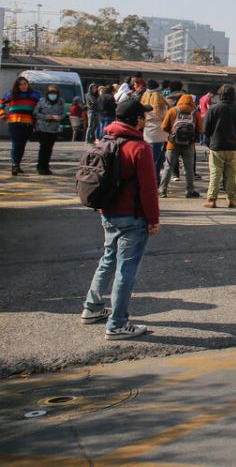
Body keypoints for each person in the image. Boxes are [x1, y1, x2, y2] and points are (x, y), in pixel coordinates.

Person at [80, 98, 161, 340]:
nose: (145, 119)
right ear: (137, 119)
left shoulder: (104, 140)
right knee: (126, 269)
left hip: (107, 212)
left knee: (107, 260)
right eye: (143, 116)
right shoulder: (139, 148)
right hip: (133, 217)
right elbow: (149, 189)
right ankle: (117, 324)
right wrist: (153, 219)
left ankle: (92, 308)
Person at [202, 85, 236, 208]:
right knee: (232, 174)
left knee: (215, 173)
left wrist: (210, 141)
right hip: (233, 146)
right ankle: (231, 199)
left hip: (216, 145)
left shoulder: (213, 109)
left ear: (220, 94)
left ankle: (212, 199)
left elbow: (205, 129)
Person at [159, 93, 203, 198]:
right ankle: (189, 191)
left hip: (172, 144)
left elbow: (163, 126)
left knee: (168, 167)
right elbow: (200, 129)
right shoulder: (195, 112)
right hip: (189, 144)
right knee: (189, 168)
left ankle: (162, 190)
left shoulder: (173, 110)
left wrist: (172, 133)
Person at [2, 76, 39, 175]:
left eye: (25, 84)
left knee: (22, 145)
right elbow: (1, 103)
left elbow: (41, 106)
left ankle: (17, 164)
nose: (23, 86)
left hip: (28, 123)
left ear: (28, 84)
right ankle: (14, 165)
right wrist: (2, 114)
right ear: (17, 86)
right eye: (20, 84)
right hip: (14, 122)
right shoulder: (11, 95)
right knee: (16, 144)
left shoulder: (34, 95)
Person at [32, 84, 67, 175]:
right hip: (42, 128)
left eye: (54, 93)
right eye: (51, 92)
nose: (52, 94)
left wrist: (59, 117)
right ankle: (41, 167)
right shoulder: (41, 101)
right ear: (47, 93)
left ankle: (46, 167)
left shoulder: (61, 102)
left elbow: (63, 114)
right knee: (43, 148)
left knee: (49, 149)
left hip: (53, 129)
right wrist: (46, 117)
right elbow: (35, 113)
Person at [140, 88, 169, 179]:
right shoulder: (163, 108)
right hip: (161, 135)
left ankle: (151, 177)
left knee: (151, 159)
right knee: (158, 159)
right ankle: (155, 177)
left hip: (147, 134)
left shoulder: (144, 108)